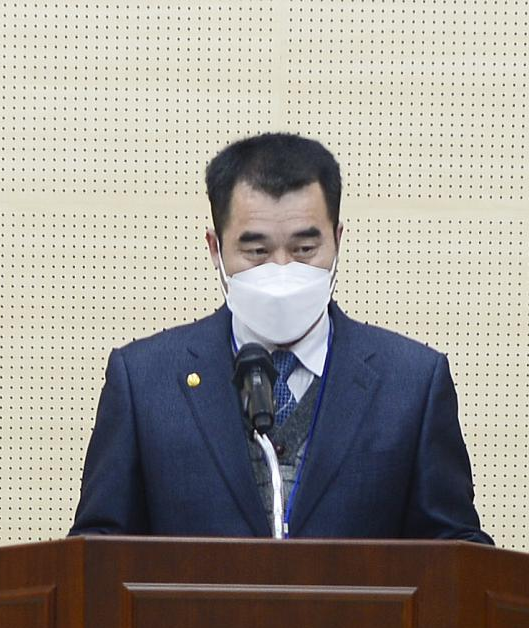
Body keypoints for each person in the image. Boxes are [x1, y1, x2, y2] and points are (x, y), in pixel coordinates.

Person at [70, 133, 492, 543]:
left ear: (337, 241)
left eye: (305, 249)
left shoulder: (412, 383)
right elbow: (98, 549)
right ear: (215, 249)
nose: (282, 269)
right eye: (257, 252)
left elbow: (456, 553)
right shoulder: (144, 381)